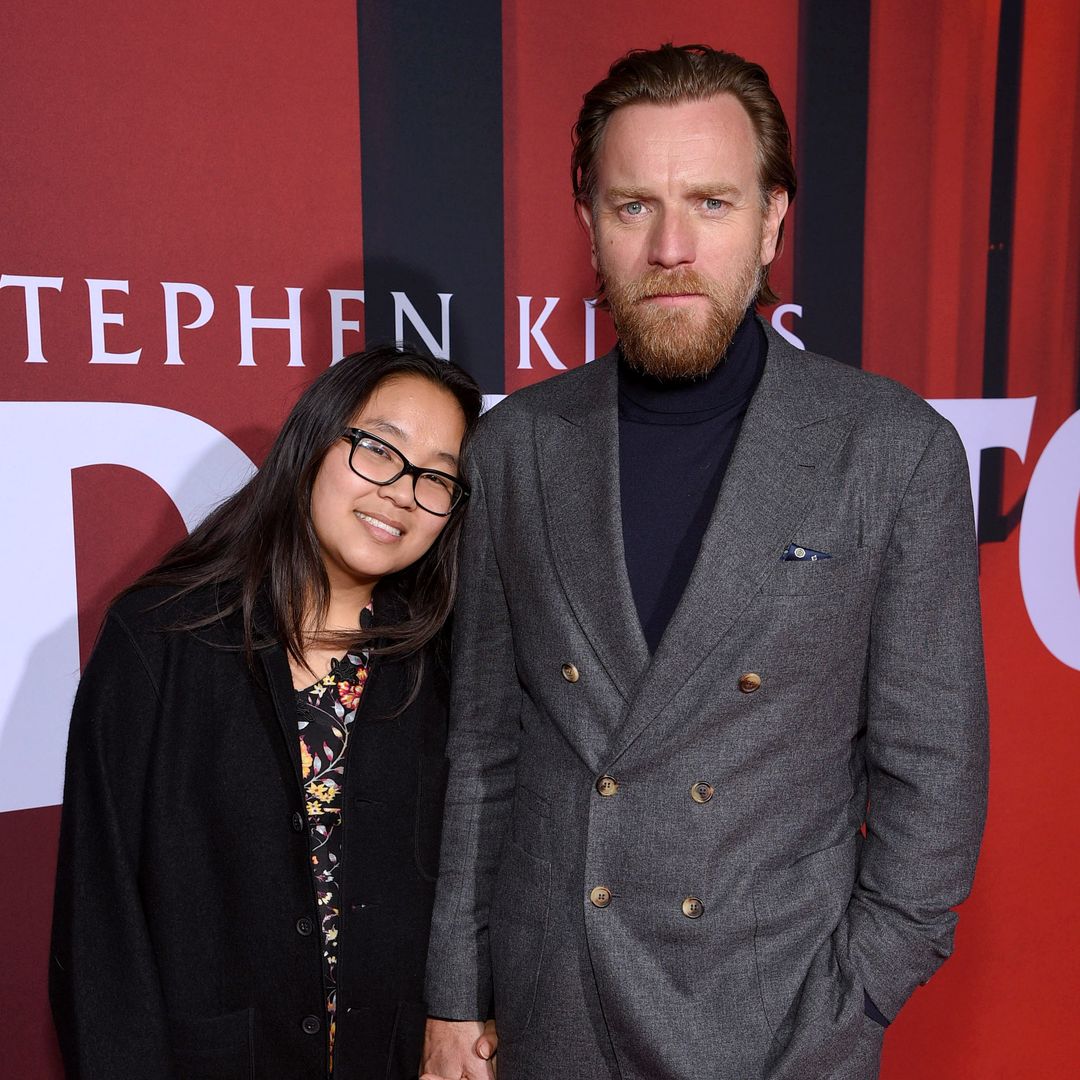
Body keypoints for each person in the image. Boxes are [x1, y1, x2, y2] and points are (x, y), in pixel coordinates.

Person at [421, 44, 989, 1080]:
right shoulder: (517, 448)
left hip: (775, 1023)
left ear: (773, 219)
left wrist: (852, 999)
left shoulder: (891, 448)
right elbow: (485, 751)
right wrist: (457, 994)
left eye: (713, 203)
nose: (672, 246)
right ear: (588, 218)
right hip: (553, 1012)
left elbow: (935, 774)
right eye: (634, 206)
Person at [49, 345, 496, 1079]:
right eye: (379, 449)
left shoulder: (447, 664)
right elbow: (100, 928)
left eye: (437, 478)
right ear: (315, 442)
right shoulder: (161, 639)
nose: (401, 492)